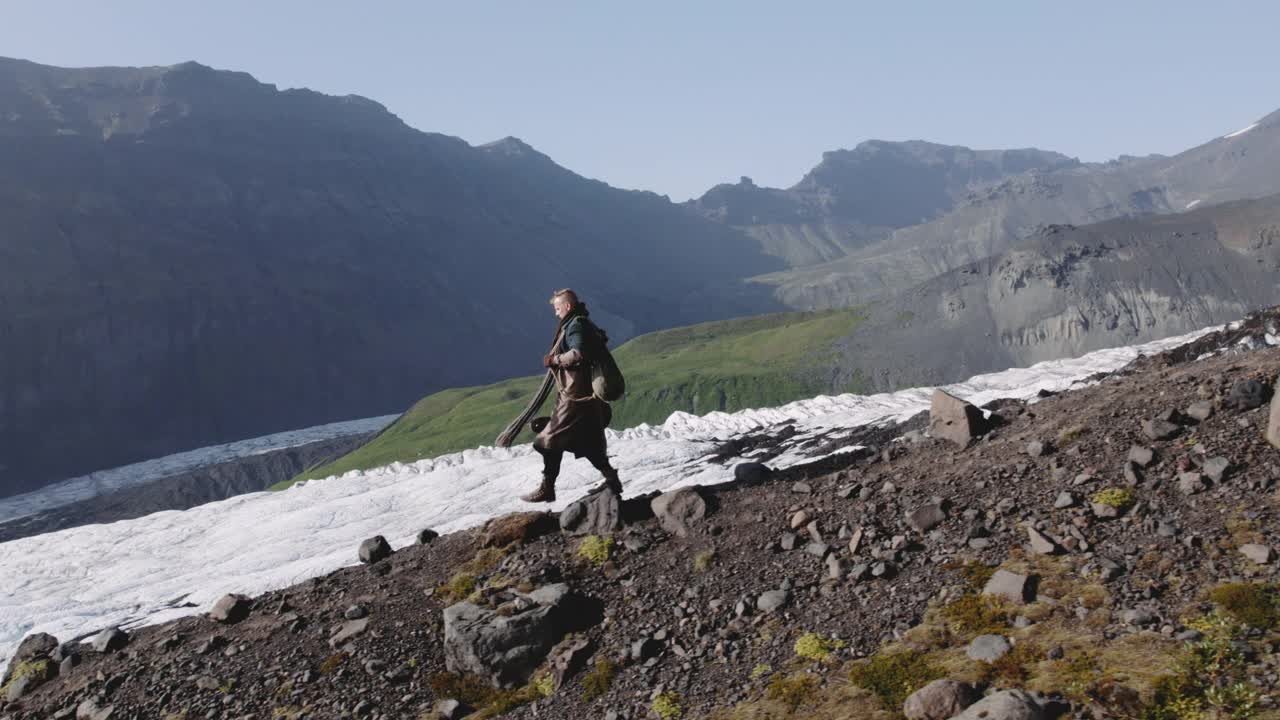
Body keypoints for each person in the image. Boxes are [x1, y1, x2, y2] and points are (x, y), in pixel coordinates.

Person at [520, 289, 623, 503]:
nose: (556, 314)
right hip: (587, 397)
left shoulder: (575, 325)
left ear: (567, 307)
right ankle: (611, 479)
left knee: (547, 440)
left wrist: (554, 360)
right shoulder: (584, 322)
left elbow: (578, 353)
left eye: (558, 309)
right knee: (589, 442)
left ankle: (546, 488)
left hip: (574, 398)